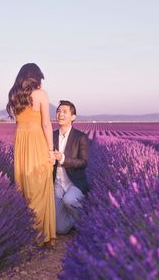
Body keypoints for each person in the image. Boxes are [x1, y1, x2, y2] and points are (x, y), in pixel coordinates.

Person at [6, 63, 56, 245]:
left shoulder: (14, 94)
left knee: (25, 186)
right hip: (36, 141)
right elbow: (46, 125)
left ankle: (25, 235)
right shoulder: (41, 94)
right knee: (40, 185)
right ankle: (39, 235)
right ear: (35, 78)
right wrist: (51, 151)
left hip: (21, 142)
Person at [53, 100, 89, 234]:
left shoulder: (81, 137)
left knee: (69, 200)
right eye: (58, 111)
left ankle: (85, 221)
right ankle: (73, 219)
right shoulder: (51, 135)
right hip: (56, 184)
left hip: (74, 183)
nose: (60, 114)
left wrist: (62, 158)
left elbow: (83, 162)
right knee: (60, 229)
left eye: (64, 112)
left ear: (73, 117)